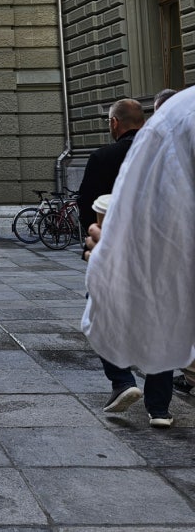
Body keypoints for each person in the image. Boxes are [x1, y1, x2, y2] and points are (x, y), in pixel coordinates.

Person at [82, 88, 195, 426]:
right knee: (163, 315)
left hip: (121, 250)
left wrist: (93, 247)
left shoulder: (106, 157)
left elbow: (86, 205)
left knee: (100, 304)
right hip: (168, 255)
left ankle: (121, 381)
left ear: (114, 124)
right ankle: (158, 408)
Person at [76, 98, 144, 232]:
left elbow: (87, 204)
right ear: (144, 122)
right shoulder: (161, 151)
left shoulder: (102, 157)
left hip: (111, 237)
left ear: (114, 122)